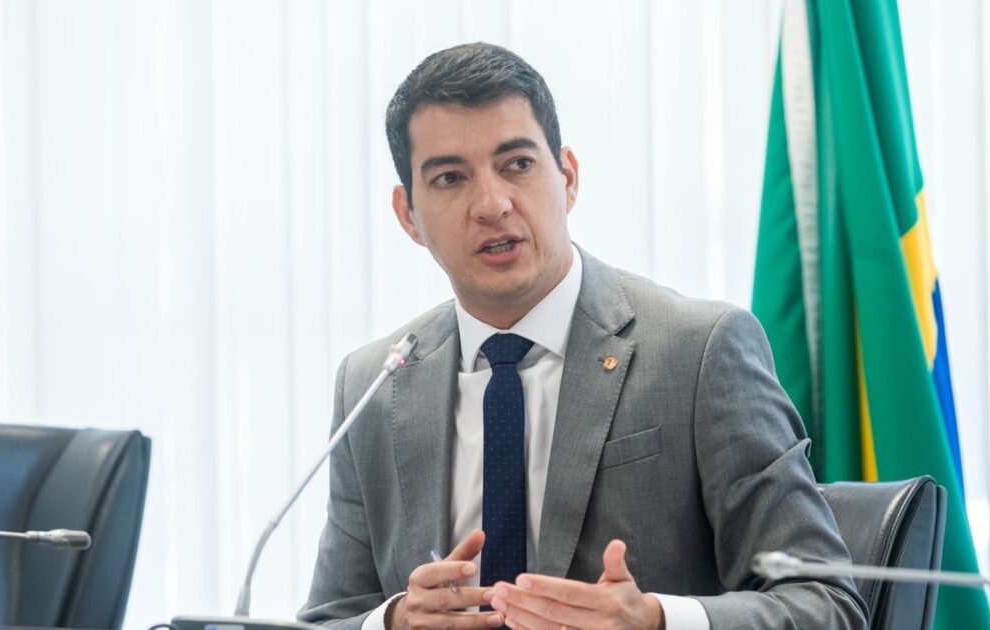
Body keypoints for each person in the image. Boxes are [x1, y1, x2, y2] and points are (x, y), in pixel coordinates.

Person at [299, 42, 866, 630]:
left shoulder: (699, 351)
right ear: (408, 215)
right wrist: (391, 622)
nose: (492, 204)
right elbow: (326, 619)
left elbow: (827, 603)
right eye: (450, 178)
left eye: (517, 164)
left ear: (567, 177)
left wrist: (657, 621)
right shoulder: (374, 386)